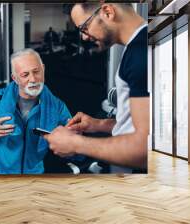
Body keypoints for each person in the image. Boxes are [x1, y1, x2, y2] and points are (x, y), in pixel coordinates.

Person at [43, 3, 149, 173]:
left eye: (84, 27)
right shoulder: (137, 47)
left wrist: (77, 144)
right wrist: (98, 124)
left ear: (107, 12)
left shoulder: (140, 55)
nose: (84, 37)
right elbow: (140, 127)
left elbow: (144, 150)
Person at [0, 48, 72, 174]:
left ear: (43, 69)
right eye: (25, 75)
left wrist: (72, 136)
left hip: (33, 175)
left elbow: (72, 138)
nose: (33, 79)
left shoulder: (57, 106)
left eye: (36, 72)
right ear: (15, 78)